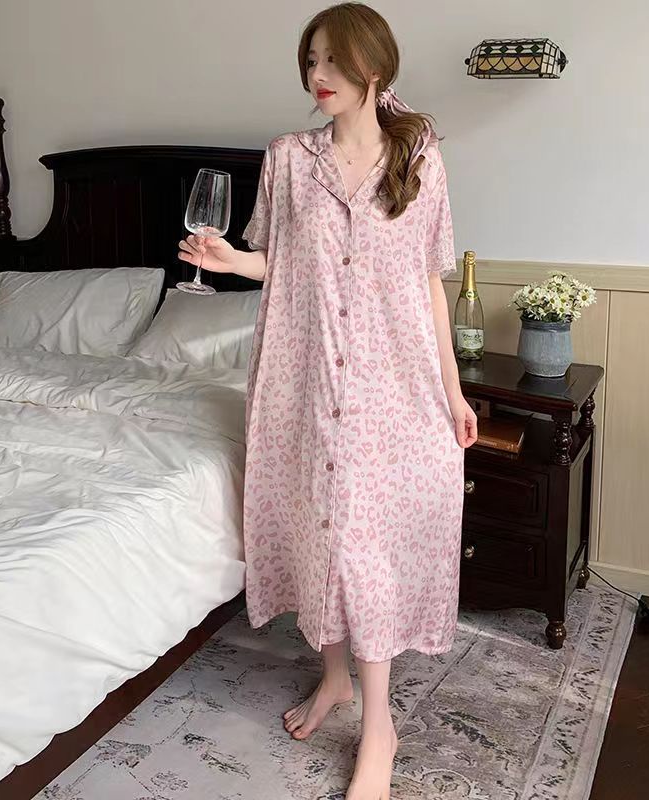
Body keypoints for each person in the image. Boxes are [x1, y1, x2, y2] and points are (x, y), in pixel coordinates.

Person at [178, 3, 478, 797]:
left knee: (363, 544)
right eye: (311, 61)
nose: (318, 76)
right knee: (327, 534)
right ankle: (336, 678)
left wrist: (452, 390)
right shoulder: (287, 159)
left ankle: (379, 729)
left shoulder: (420, 154)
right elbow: (284, 262)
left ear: (374, 65)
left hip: (394, 386)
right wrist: (231, 261)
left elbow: (428, 281)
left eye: (334, 61)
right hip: (309, 381)